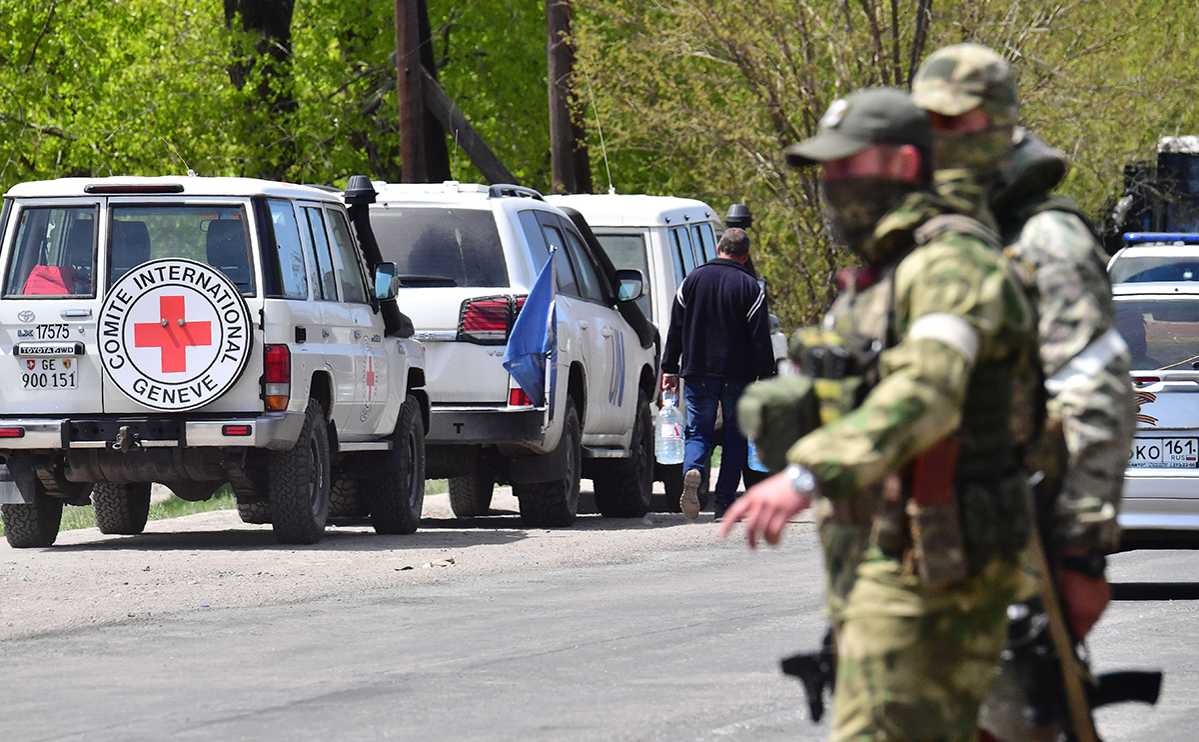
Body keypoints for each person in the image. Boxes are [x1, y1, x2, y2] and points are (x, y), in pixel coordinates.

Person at [720, 86, 1038, 742]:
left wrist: (806, 475)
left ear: (900, 164)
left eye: (845, 167)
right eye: (826, 172)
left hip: (933, 572)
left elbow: (927, 389)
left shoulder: (950, 266)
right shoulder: (875, 282)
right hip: (871, 568)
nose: (831, 186)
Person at [911, 44, 1136, 742]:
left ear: (1000, 125)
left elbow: (1093, 390)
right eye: (930, 125)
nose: (939, 142)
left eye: (957, 124)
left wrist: (1079, 554)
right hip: (928, 548)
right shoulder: (935, 234)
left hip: (1015, 548)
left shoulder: (1044, 238)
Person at [661, 227, 775, 521]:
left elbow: (675, 328)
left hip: (698, 372)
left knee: (698, 431)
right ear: (745, 255)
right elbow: (760, 337)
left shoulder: (692, 281)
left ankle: (694, 469)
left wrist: (669, 368)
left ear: (718, 247)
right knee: (736, 436)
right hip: (739, 375)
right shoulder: (750, 287)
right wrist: (766, 375)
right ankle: (724, 503)